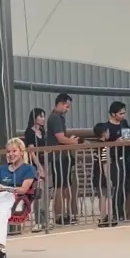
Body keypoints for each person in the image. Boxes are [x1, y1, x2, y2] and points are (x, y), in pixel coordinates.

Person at [46, 93, 80, 226]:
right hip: (58, 157)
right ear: (60, 104)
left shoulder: (58, 117)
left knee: (64, 186)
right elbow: (60, 138)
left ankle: (64, 214)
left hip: (62, 156)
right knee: (60, 186)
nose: (68, 109)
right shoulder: (55, 118)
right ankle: (59, 215)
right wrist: (72, 142)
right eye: (67, 106)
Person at [21, 108, 52, 231]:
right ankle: (38, 221)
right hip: (36, 164)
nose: (43, 119)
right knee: (38, 193)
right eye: (41, 116)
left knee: (47, 193)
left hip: (46, 161)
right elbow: (31, 151)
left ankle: (46, 220)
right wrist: (38, 166)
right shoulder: (29, 132)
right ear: (35, 118)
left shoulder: (43, 132)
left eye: (44, 116)